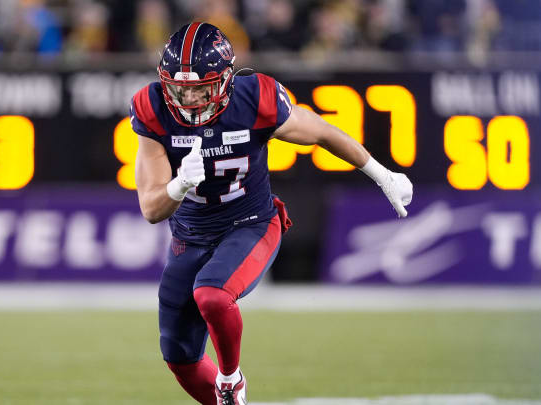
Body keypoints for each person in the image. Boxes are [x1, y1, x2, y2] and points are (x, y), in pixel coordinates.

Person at [129, 22, 412, 405]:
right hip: (189, 237)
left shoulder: (254, 99)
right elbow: (150, 208)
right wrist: (178, 185)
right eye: (178, 89)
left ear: (226, 82)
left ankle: (231, 379)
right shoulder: (153, 108)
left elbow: (323, 132)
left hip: (250, 224)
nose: (187, 101)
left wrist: (381, 174)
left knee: (212, 295)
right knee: (179, 356)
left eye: (200, 90)